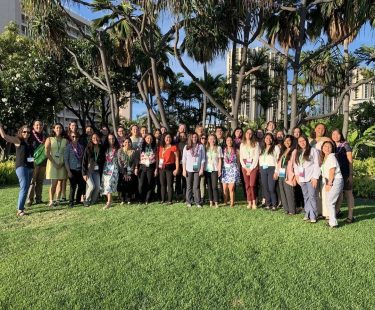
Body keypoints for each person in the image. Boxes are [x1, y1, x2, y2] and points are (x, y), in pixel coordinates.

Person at [0, 123, 34, 216]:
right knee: (23, 188)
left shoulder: (28, 143)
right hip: (22, 167)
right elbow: (5, 136)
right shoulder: (18, 140)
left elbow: (30, 156)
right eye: (24, 131)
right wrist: (0, 126)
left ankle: (21, 207)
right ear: (21, 132)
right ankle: (20, 210)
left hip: (30, 167)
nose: (26, 133)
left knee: (26, 188)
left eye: (28, 132)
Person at [294, 135, 321, 223]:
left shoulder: (313, 150)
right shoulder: (298, 152)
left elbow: (317, 165)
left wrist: (315, 177)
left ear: (306, 141)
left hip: (311, 178)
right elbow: (296, 165)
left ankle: (313, 215)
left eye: (303, 140)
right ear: (298, 143)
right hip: (301, 178)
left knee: (312, 196)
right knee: (305, 197)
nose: (302, 143)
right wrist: (297, 176)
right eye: (300, 141)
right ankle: (307, 213)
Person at [331, 129, 355, 223]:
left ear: (341, 135)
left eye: (337, 134)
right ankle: (336, 212)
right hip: (336, 174)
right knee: (339, 194)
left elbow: (350, 161)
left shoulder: (345, 145)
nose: (335, 136)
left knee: (348, 194)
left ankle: (350, 216)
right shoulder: (332, 145)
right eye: (333, 134)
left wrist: (350, 175)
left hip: (345, 174)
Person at [320, 140, 344, 228]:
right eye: (325, 146)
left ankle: (333, 223)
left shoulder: (331, 157)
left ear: (332, 149)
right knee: (329, 201)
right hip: (329, 180)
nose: (327, 148)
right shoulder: (325, 158)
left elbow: (332, 171)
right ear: (322, 148)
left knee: (330, 202)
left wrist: (329, 184)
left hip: (335, 180)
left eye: (329, 147)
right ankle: (331, 220)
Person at [45, 123, 68, 207]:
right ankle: (51, 200)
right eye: (57, 128)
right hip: (52, 163)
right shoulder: (49, 139)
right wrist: (54, 163)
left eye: (60, 128)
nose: (59, 129)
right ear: (54, 129)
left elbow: (66, 153)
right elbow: (47, 153)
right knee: (54, 183)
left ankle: (57, 199)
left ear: (62, 130)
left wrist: (62, 163)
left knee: (60, 182)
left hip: (62, 163)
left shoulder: (65, 140)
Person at [274, 135, 297, 215]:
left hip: (289, 173)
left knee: (289, 191)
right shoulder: (283, 151)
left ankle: (292, 210)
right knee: (282, 191)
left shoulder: (294, 151)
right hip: (281, 172)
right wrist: (276, 172)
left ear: (292, 141)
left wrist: (295, 176)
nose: (287, 142)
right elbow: (279, 163)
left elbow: (295, 164)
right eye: (285, 141)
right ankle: (286, 209)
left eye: (289, 140)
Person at [182, 133, 205, 208]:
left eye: (195, 137)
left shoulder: (201, 146)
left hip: (197, 169)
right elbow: (184, 159)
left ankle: (198, 202)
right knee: (189, 186)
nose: (194, 138)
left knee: (196, 186)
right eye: (193, 137)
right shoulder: (186, 147)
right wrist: (184, 170)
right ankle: (188, 201)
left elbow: (203, 159)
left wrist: (201, 169)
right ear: (190, 138)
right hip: (188, 169)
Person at [27, 120, 47, 206]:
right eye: (37, 125)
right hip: (33, 162)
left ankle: (38, 198)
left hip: (43, 162)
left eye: (40, 125)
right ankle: (29, 200)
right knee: (32, 181)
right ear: (33, 126)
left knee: (40, 181)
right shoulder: (30, 135)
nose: (39, 126)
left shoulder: (44, 136)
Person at [239, 128, 260, 209]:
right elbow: (241, 157)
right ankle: (249, 202)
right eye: (247, 133)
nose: (249, 134)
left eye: (250, 133)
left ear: (252, 135)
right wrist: (245, 167)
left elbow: (256, 157)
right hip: (244, 165)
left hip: (253, 165)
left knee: (252, 184)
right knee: (247, 185)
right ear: (245, 134)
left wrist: (250, 168)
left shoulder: (256, 144)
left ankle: (254, 201)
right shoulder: (242, 144)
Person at [259, 133, 280, 210]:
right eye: (267, 138)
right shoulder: (262, 148)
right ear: (264, 139)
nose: (268, 140)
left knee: (271, 188)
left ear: (272, 139)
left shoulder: (276, 148)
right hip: (263, 169)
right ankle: (268, 204)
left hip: (272, 169)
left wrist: (276, 172)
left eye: (270, 138)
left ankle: (274, 204)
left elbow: (278, 161)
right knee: (265, 187)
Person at [64, 132, 85, 208]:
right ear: (70, 137)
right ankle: (71, 202)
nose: (74, 138)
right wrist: (68, 171)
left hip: (80, 170)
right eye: (73, 137)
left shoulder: (81, 147)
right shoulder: (68, 147)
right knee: (73, 187)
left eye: (76, 137)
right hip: (72, 170)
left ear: (78, 138)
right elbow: (66, 160)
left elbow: (83, 159)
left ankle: (78, 199)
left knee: (81, 186)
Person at [82, 133, 104, 207]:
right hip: (89, 171)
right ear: (91, 139)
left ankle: (92, 202)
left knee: (97, 187)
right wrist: (84, 173)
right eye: (94, 138)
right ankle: (86, 200)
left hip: (97, 171)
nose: (95, 139)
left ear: (99, 138)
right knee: (91, 186)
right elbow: (84, 161)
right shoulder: (88, 148)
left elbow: (103, 159)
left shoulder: (101, 148)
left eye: (97, 137)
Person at [158, 133, 179, 204]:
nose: (168, 139)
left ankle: (170, 200)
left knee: (169, 184)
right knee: (162, 184)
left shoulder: (174, 147)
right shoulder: (161, 147)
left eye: (169, 137)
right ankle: (163, 199)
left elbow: (177, 158)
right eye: (167, 137)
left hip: (170, 167)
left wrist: (177, 169)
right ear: (164, 138)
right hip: (162, 168)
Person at [101, 134, 120, 209]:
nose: (111, 140)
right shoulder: (105, 148)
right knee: (106, 184)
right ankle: (110, 199)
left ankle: (109, 202)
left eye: (113, 138)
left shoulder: (118, 148)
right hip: (106, 168)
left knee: (109, 183)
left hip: (114, 168)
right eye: (109, 139)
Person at [138, 134, 158, 204]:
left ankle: (147, 199)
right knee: (141, 184)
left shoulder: (155, 147)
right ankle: (141, 198)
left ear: (152, 140)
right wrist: (136, 167)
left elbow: (157, 159)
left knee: (150, 183)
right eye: (147, 138)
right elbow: (137, 158)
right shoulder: (141, 147)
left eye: (150, 138)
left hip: (151, 167)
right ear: (145, 139)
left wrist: (156, 169)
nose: (149, 140)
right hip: (142, 167)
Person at [117, 138, 138, 205]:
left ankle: (129, 199)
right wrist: (124, 173)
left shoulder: (133, 151)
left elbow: (134, 162)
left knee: (129, 184)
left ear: (131, 143)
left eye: (129, 142)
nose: (127, 143)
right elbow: (119, 162)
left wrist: (130, 172)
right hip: (122, 169)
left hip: (130, 170)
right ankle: (122, 199)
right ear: (123, 143)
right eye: (125, 142)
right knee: (123, 184)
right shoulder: (120, 150)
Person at [205, 134, 223, 208]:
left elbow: (220, 160)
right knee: (209, 186)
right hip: (207, 169)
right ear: (208, 140)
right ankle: (210, 201)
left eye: (213, 139)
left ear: (215, 140)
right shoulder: (206, 148)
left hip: (215, 169)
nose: (212, 140)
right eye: (210, 139)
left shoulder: (218, 148)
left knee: (214, 186)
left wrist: (219, 169)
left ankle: (216, 202)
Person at [222, 136, 240, 208]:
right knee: (224, 188)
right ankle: (225, 201)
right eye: (228, 140)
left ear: (232, 141)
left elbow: (238, 161)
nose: (229, 141)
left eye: (230, 140)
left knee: (231, 188)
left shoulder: (236, 151)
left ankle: (232, 203)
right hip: (225, 171)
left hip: (233, 170)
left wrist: (238, 170)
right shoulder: (223, 150)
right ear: (226, 142)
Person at [175, 132, 187, 201]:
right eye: (181, 136)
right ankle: (178, 195)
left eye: (184, 136)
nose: (182, 137)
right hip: (178, 164)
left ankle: (185, 195)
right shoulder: (177, 145)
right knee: (178, 180)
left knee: (185, 180)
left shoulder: (188, 144)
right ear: (179, 137)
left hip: (186, 164)